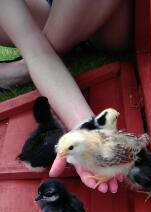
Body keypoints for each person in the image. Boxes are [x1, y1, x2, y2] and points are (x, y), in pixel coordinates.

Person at [0, 0, 132, 193]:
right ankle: (36, 59)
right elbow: (36, 51)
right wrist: (86, 129)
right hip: (56, 15)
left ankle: (21, 68)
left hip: (113, 24)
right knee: (30, 40)